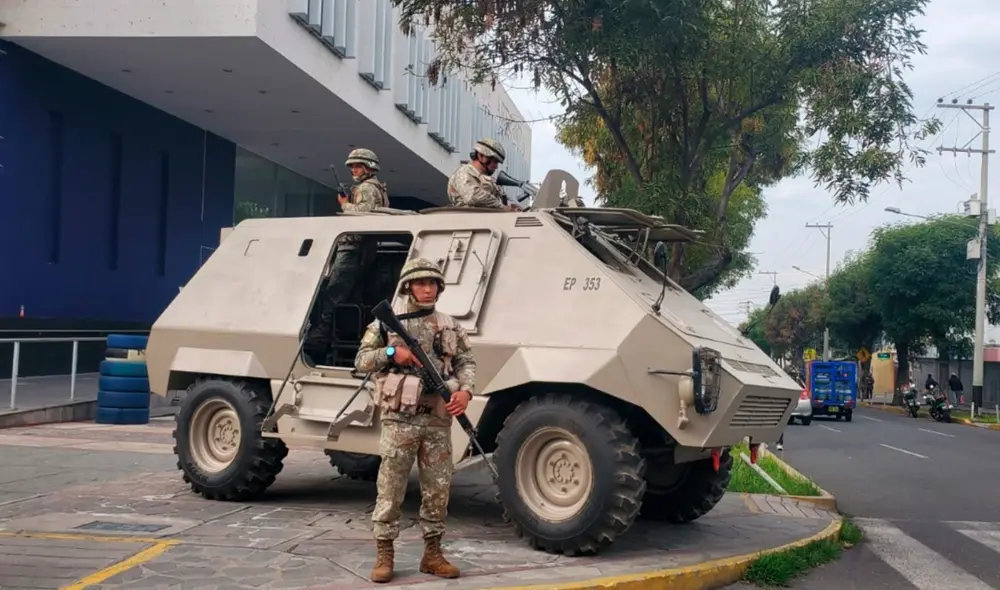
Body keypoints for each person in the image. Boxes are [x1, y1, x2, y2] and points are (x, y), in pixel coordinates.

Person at [355, 258, 476, 583]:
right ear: (408, 286)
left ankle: (432, 554)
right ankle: (384, 554)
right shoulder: (386, 324)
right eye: (421, 283)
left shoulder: (450, 325)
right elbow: (361, 360)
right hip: (400, 419)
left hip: (437, 419)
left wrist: (465, 392)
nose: (428, 289)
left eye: (433, 283)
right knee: (390, 488)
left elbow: (466, 361)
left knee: (438, 488)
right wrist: (391, 354)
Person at [303, 149, 389, 365]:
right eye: (352, 167)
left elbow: (363, 215)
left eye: (358, 166)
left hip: (353, 248)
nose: (354, 170)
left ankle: (319, 338)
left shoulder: (367, 188)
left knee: (334, 293)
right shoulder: (373, 188)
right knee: (349, 296)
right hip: (360, 248)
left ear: (369, 168)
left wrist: (345, 205)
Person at [447, 138, 520, 211]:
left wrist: (511, 207)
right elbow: (472, 196)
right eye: (494, 161)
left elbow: (502, 199)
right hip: (468, 215)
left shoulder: (489, 180)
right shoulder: (464, 172)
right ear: (481, 156)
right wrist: (502, 207)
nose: (496, 166)